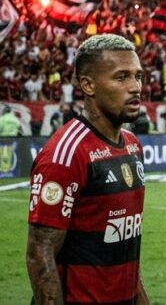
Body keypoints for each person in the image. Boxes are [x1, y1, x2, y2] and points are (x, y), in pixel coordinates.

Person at [26, 34, 148, 304]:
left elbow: (126, 247)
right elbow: (40, 253)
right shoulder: (66, 154)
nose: (136, 87)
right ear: (88, 85)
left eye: (138, 76)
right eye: (122, 77)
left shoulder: (133, 146)